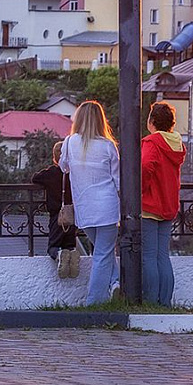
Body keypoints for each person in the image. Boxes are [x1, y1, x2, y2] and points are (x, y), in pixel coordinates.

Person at [62, 100, 121, 305]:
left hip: (84, 209)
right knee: (103, 253)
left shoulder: (69, 142)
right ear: (100, 120)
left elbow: (63, 167)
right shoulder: (108, 146)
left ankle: (115, 283)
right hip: (107, 208)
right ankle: (95, 301)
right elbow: (119, 180)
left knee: (102, 251)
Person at [141, 102, 186, 305]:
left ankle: (151, 301)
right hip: (168, 204)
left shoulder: (152, 142)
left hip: (150, 205)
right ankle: (165, 301)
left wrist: (139, 190)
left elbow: (144, 166)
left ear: (152, 121)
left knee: (149, 257)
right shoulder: (176, 143)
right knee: (162, 256)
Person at [30, 139, 77, 263]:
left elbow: (35, 178)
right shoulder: (74, 173)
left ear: (55, 157)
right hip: (72, 215)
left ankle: (59, 255)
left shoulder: (51, 173)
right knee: (70, 245)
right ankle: (71, 257)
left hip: (57, 215)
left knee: (53, 246)